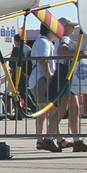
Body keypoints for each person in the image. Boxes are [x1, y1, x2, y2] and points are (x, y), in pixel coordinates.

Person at [29, 23, 59, 151]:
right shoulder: (43, 42)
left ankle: (42, 139)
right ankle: (53, 139)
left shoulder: (44, 42)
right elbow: (42, 60)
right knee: (51, 111)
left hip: (40, 78)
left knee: (43, 112)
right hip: (41, 79)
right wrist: (49, 76)